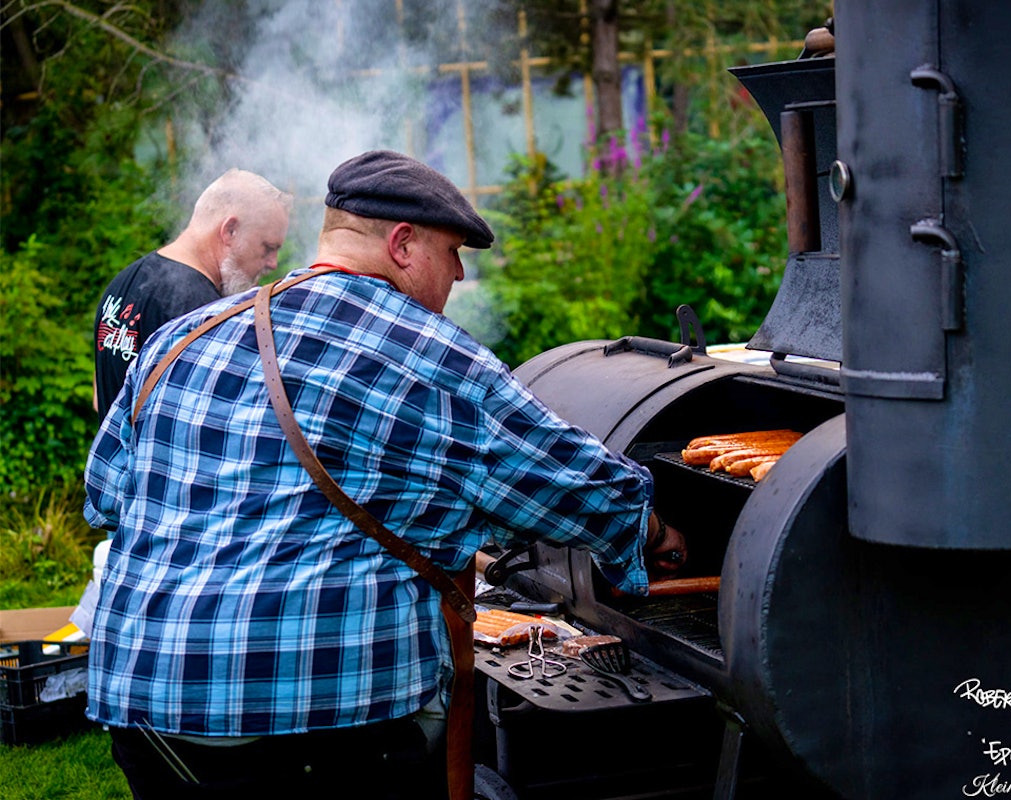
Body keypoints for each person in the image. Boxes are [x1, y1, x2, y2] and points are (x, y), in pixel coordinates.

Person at [83, 149, 687, 798]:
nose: (458, 273)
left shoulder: (188, 335)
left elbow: (108, 495)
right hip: (315, 718)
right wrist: (651, 531)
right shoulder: (435, 356)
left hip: (144, 701)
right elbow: (565, 479)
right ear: (402, 244)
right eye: (453, 251)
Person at [92, 168, 292, 421]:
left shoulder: (121, 283)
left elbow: (100, 399)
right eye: (268, 247)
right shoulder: (200, 311)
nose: (273, 263)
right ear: (230, 230)